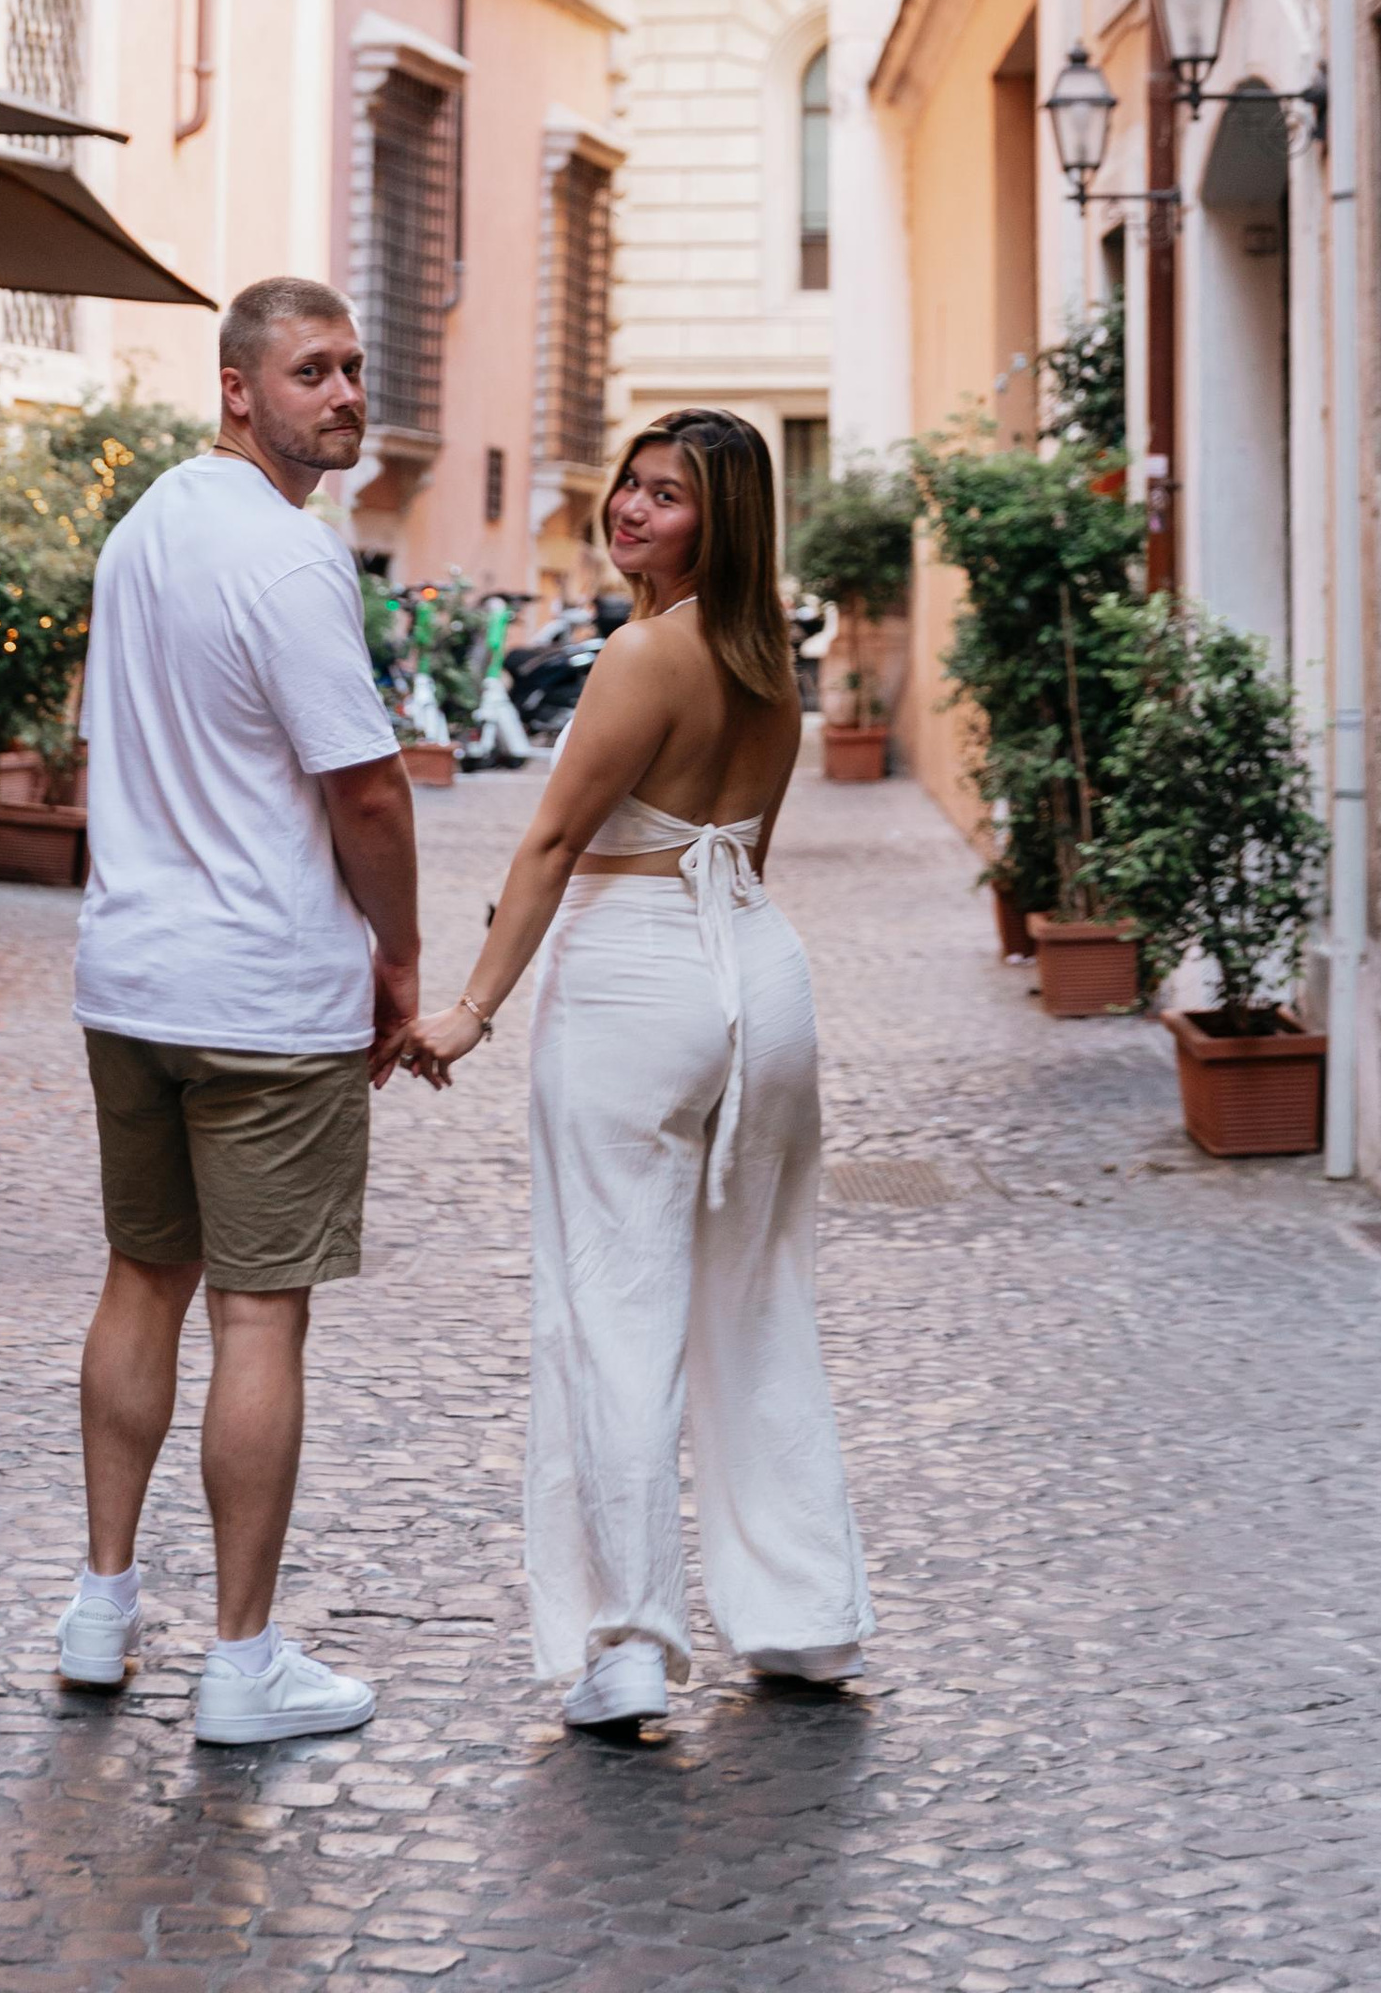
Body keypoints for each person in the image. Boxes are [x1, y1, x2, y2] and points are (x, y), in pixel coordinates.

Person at [405, 407, 872, 1734]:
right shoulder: (770, 667)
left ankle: (627, 1643)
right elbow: (747, 854)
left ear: (718, 523)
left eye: (665, 496)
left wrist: (473, 1010)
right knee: (761, 1301)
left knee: (611, 1306)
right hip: (758, 979)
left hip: (637, 976)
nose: (628, 507)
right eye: (631, 483)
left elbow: (555, 845)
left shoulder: (643, 654)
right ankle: (804, 1617)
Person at [57, 277, 420, 1746]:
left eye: (353, 369)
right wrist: (401, 956)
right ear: (237, 388)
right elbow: (368, 788)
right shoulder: (289, 555)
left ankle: (100, 1608)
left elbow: (109, 744)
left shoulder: (142, 530)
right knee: (259, 1314)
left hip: (134, 978)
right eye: (311, 370)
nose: (345, 395)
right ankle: (242, 1662)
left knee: (142, 1278)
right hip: (266, 992)